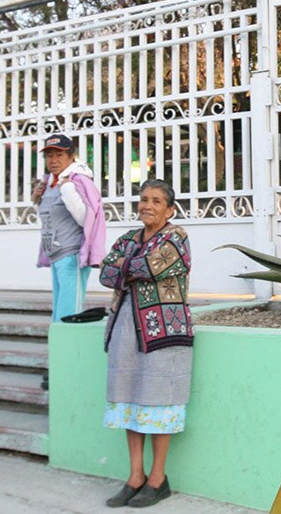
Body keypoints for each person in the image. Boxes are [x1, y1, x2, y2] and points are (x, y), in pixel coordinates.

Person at [98, 179, 194, 508]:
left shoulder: (176, 237)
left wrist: (125, 267)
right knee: (128, 401)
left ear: (170, 209)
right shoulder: (128, 238)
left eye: (156, 201)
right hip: (126, 331)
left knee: (158, 403)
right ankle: (135, 476)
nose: (147, 206)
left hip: (165, 334)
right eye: (143, 200)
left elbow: (154, 265)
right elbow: (105, 273)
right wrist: (129, 268)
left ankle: (158, 478)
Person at [33, 133, 106, 325]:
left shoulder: (77, 181)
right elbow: (50, 216)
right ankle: (58, 354)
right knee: (58, 315)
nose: (53, 160)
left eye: (59, 155)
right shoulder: (50, 182)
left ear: (71, 157)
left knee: (68, 315)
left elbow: (86, 219)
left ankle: (68, 354)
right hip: (56, 255)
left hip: (72, 256)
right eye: (49, 155)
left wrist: (68, 190)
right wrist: (37, 199)